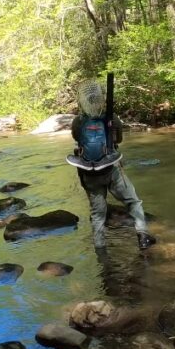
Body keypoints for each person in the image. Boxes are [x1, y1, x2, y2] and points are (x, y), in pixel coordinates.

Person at [71, 79, 156, 250]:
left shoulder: (78, 121)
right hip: (111, 168)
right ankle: (143, 236)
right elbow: (118, 139)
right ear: (100, 98)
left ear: (83, 101)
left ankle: (100, 250)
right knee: (133, 201)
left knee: (97, 214)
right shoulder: (111, 118)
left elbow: (76, 139)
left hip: (89, 171)